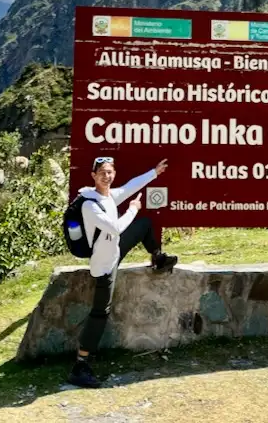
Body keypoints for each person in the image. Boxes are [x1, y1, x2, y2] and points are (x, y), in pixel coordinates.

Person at [67, 156, 178, 388]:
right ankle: (80, 365)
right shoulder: (89, 204)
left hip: (114, 251)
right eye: (102, 173)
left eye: (110, 172)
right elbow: (115, 228)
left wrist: (154, 173)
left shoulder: (108, 195)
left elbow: (129, 188)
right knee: (100, 313)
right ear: (93, 176)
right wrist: (132, 209)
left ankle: (158, 258)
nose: (107, 177)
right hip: (104, 264)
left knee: (145, 225)